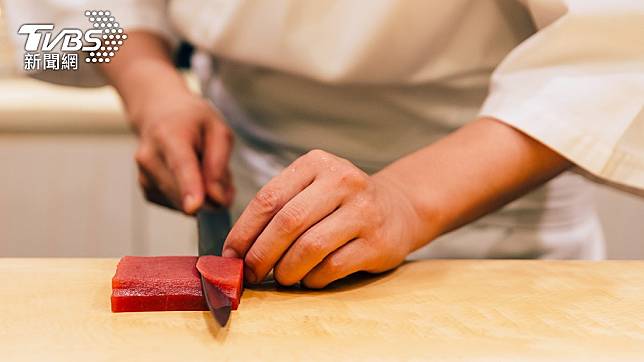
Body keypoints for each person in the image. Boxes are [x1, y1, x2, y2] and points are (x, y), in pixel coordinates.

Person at [11, 1, 644, 288]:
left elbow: (618, 57)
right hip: (249, 222)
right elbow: (37, 35)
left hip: (493, 242)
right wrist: (150, 89)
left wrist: (406, 200)